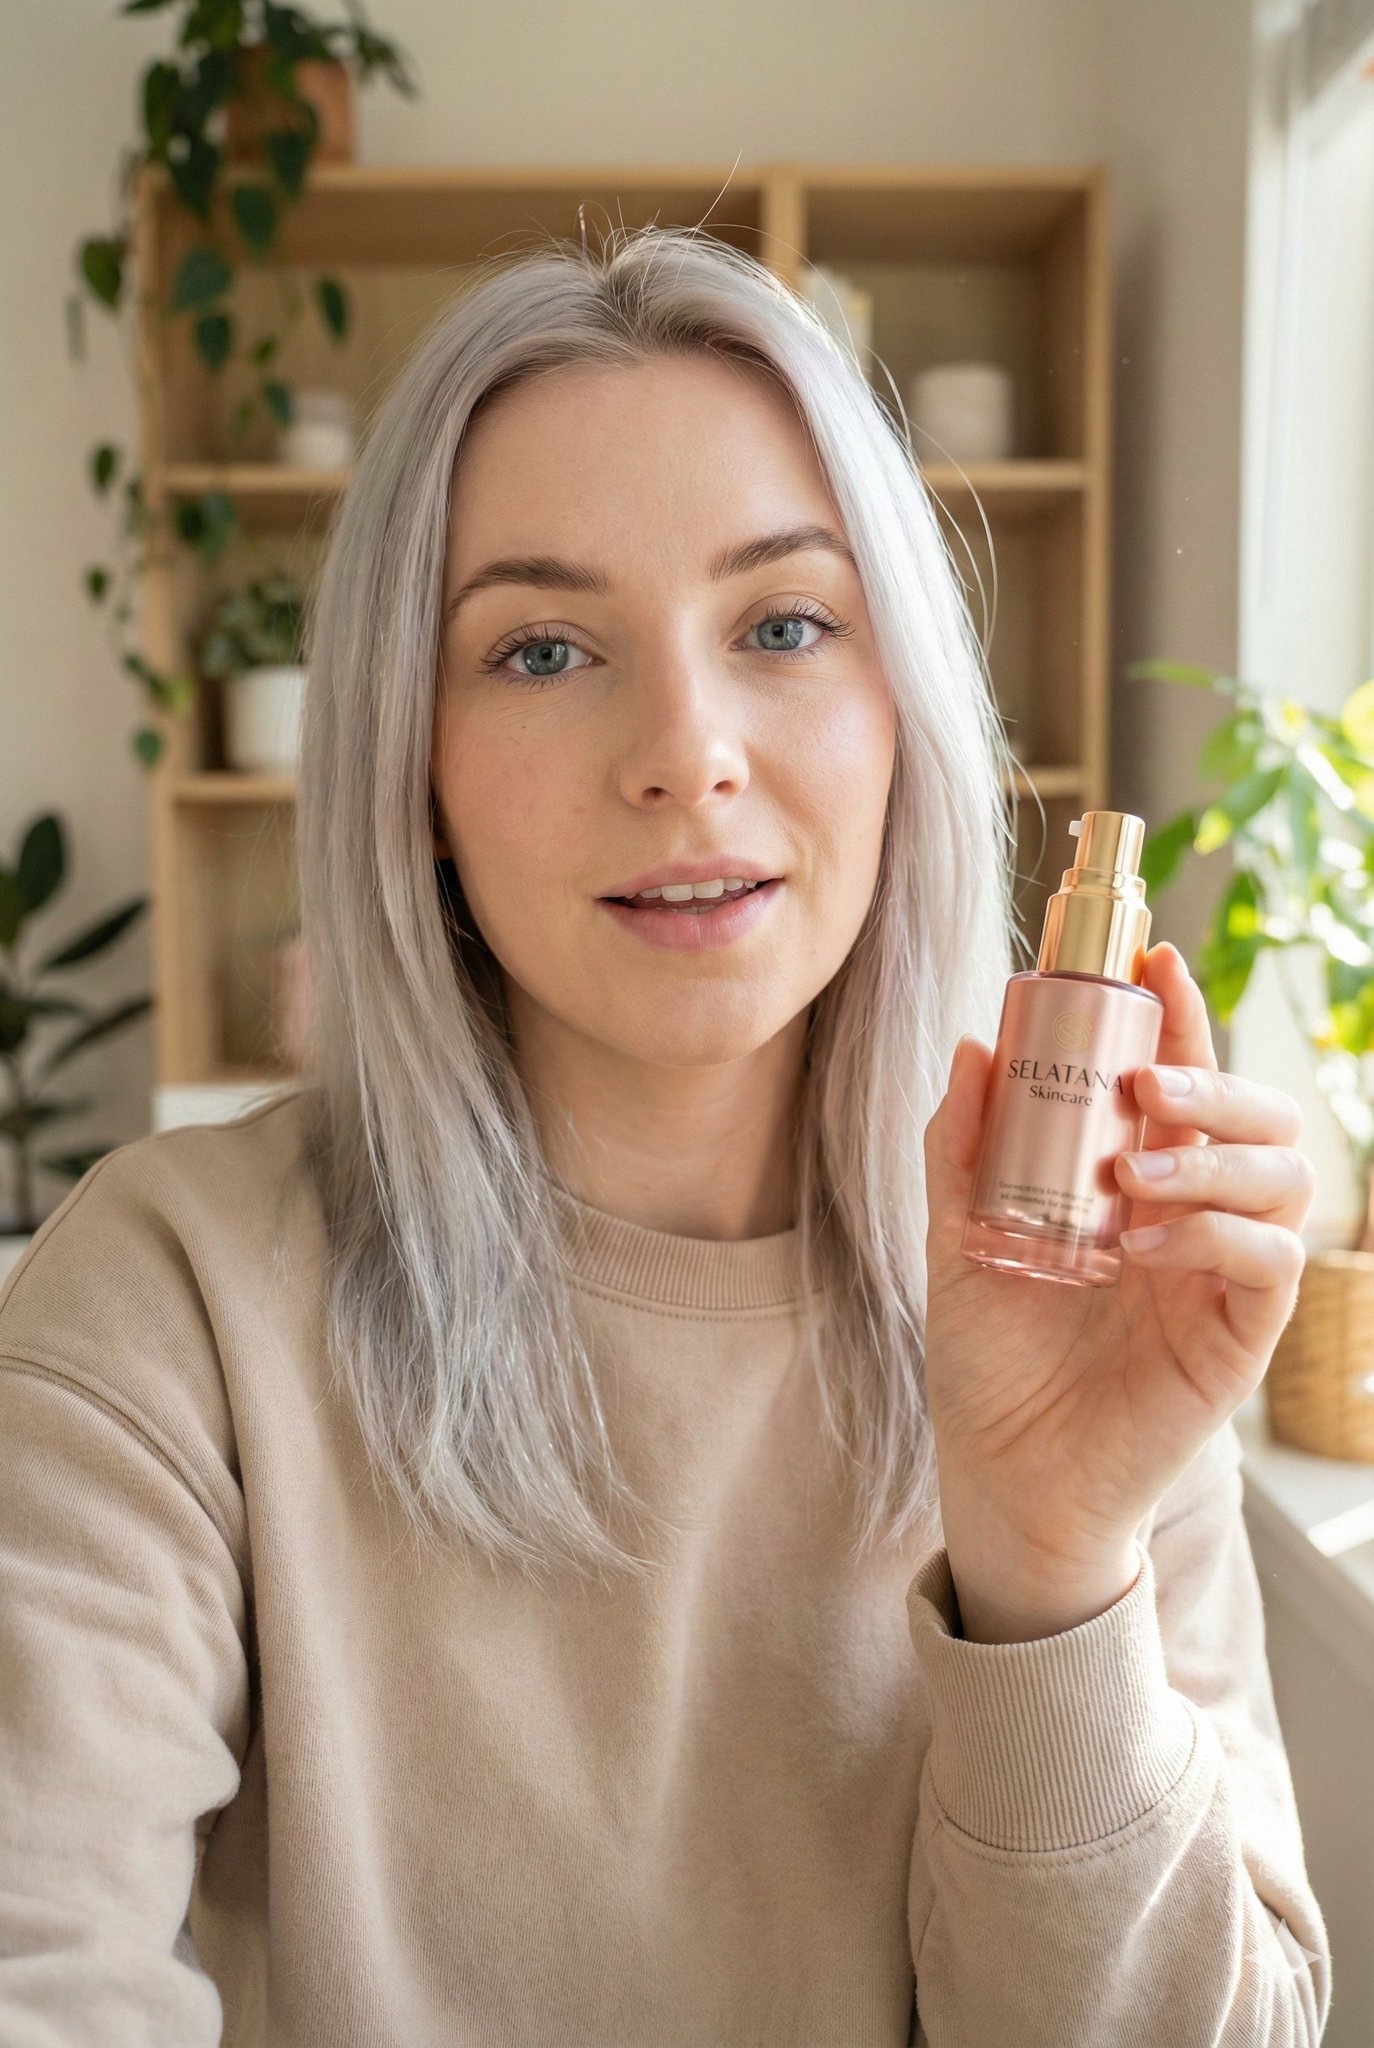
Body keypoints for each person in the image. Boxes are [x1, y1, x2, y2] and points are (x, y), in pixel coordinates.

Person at [0, 224, 1331, 2046]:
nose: (685, 752)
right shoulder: (170, 1301)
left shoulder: (1080, 1280)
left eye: (784, 624)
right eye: (543, 649)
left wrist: (1047, 1572)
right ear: (414, 762)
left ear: (900, 717)